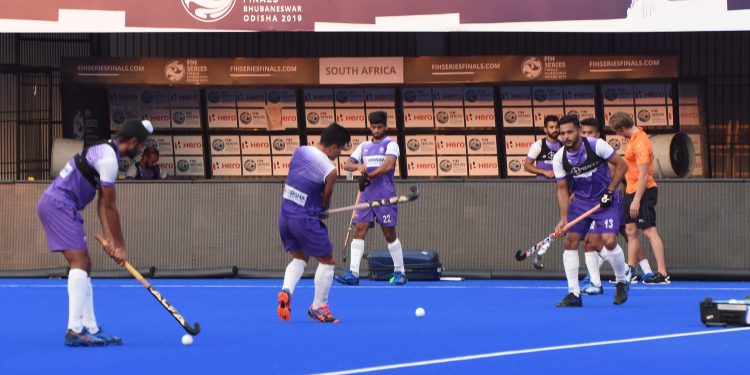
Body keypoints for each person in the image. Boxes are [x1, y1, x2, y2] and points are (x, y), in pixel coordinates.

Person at [36, 119, 153, 346]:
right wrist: (119, 246)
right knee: (79, 262)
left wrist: (109, 238)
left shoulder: (106, 151)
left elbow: (101, 203)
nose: (141, 150)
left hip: (64, 205)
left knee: (84, 264)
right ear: (133, 141)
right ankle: (75, 330)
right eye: (141, 146)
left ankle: (90, 327)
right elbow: (110, 206)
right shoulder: (109, 159)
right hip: (59, 205)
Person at [550, 114, 630, 307]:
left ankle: (621, 281)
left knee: (610, 242)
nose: (566, 136)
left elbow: (622, 165)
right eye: (562, 133)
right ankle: (574, 294)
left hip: (605, 200)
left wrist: (610, 191)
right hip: (581, 202)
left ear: (578, 130)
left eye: (570, 132)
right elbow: (561, 188)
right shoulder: (560, 158)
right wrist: (563, 218)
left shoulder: (596, 145)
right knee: (570, 241)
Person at [277, 123, 351, 324]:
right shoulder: (330, 170)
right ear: (334, 146)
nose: (340, 153)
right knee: (327, 261)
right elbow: (324, 201)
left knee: (300, 257)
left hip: (285, 215)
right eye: (342, 148)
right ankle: (318, 307)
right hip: (304, 219)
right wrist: (322, 211)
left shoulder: (300, 151)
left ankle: (286, 290)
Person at [334, 111, 406, 286]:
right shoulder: (363, 146)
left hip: (385, 195)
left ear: (385, 127)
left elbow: (389, 166)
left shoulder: (391, 144)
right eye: (373, 127)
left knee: (389, 234)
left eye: (379, 127)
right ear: (369, 127)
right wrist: (358, 166)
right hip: (366, 195)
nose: (376, 130)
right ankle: (353, 274)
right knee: (359, 230)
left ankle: (400, 272)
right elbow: (346, 164)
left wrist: (370, 175)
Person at [610, 112, 670, 284]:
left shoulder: (641, 142)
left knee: (649, 231)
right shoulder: (633, 139)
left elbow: (644, 176)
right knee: (630, 230)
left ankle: (662, 273)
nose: (618, 135)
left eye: (618, 132)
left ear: (622, 128)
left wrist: (636, 200)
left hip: (643, 191)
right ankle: (631, 270)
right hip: (631, 190)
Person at [524, 115, 563, 179]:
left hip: (560, 184)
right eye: (551, 127)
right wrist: (544, 172)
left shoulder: (563, 145)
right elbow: (527, 166)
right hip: (543, 185)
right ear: (545, 129)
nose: (555, 130)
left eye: (557, 127)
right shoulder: (538, 145)